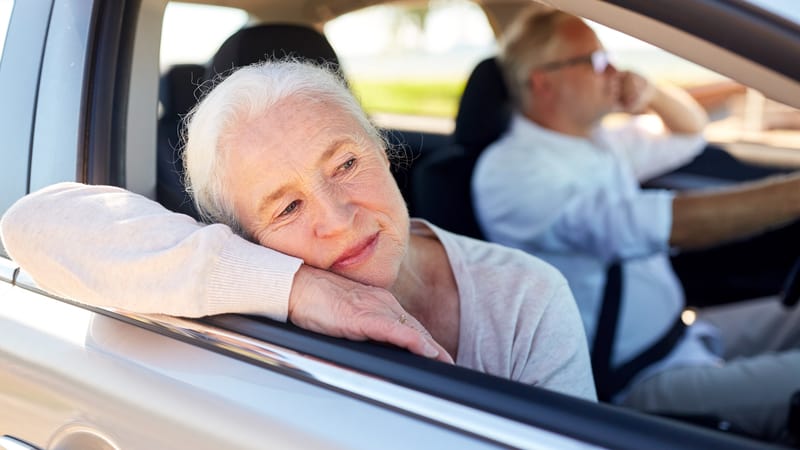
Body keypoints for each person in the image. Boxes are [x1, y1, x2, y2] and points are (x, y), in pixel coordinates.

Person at [0, 60, 596, 400]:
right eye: (285, 209)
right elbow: (31, 224)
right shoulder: (216, 281)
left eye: (345, 164)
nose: (338, 220)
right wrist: (300, 290)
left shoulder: (525, 295)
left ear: (382, 149)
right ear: (242, 238)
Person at [472, 7, 800, 440]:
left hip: (684, 330)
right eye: (595, 62)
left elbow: (689, 133)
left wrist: (652, 96)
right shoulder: (510, 172)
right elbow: (660, 225)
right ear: (542, 80)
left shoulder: (598, 143)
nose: (615, 72)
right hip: (637, 378)